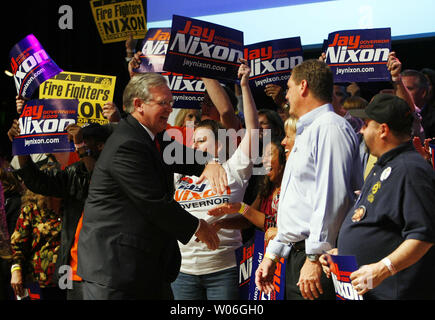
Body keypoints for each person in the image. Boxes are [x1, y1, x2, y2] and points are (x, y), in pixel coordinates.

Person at [77, 72, 226, 300]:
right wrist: (198, 227)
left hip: (144, 267)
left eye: (171, 103)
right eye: (163, 103)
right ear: (139, 105)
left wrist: (209, 163)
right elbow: (153, 202)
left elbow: (176, 153)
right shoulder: (127, 144)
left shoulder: (150, 136)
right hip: (115, 271)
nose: (169, 108)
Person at [255, 59, 363, 300]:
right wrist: (273, 253)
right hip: (299, 254)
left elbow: (332, 198)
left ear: (303, 86)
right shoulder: (307, 131)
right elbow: (299, 202)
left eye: (289, 87)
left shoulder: (329, 128)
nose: (287, 95)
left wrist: (314, 256)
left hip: (318, 259)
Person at [321, 93, 435, 299]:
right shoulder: (383, 164)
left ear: (383, 130)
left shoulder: (410, 170)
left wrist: (382, 269)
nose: (361, 129)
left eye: (366, 124)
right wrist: (343, 254)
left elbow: (424, 235)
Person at [170, 59, 259, 300]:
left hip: (225, 271)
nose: (194, 145)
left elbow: (252, 129)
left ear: (219, 144)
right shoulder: (181, 172)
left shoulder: (235, 168)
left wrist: (245, 86)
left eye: (201, 140)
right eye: (193, 141)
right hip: (183, 272)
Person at [10, 160, 65, 300]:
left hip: (66, 278)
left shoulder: (70, 208)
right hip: (37, 279)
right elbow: (17, 245)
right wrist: (16, 271)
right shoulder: (31, 210)